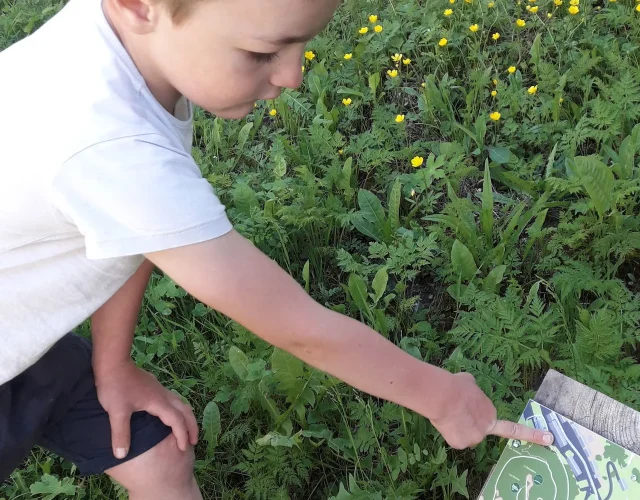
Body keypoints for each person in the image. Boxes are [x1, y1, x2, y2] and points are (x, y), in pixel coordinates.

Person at [0, 0, 555, 497]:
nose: (293, 74)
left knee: (159, 460)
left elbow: (134, 237)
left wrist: (113, 365)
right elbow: (298, 327)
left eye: (302, 42)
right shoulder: (109, 144)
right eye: (263, 51)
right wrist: (441, 397)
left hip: (22, 328)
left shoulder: (124, 47)